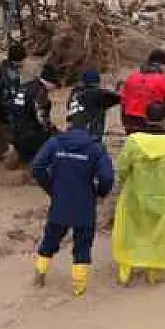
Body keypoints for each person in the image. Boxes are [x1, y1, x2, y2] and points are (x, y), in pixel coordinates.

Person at [31, 112, 116, 297]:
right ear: (87, 127)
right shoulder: (95, 148)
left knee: (50, 240)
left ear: (69, 125)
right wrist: (100, 192)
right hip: (85, 203)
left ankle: (39, 275)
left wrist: (51, 187)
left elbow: (37, 167)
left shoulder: (55, 142)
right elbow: (107, 176)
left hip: (60, 202)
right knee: (83, 246)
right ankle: (79, 287)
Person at [112, 102, 165, 285]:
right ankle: (154, 272)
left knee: (130, 233)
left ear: (145, 117)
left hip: (135, 196)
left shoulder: (133, 141)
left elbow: (122, 168)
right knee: (160, 234)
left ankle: (126, 270)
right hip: (164, 197)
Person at [119, 49, 165, 134]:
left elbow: (123, 102)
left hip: (129, 125)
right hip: (151, 126)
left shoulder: (131, 78)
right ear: (162, 65)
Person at [0, 43, 27, 166]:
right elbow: (10, 99)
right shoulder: (12, 75)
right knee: (19, 140)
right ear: (20, 59)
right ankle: (13, 166)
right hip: (0, 114)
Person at [11, 62, 63, 167]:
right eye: (55, 86)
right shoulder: (41, 92)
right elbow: (40, 115)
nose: (54, 90)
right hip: (31, 136)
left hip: (15, 132)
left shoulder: (25, 86)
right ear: (50, 82)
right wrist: (54, 130)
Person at [66, 69, 121, 143]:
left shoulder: (74, 93)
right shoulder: (98, 94)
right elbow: (118, 97)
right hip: (90, 138)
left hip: (71, 136)